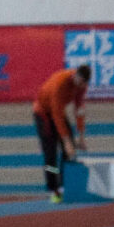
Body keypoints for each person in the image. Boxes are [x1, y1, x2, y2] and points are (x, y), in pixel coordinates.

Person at [34, 62, 91, 202]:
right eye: (80, 83)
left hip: (59, 112)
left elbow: (79, 109)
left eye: (83, 85)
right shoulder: (60, 84)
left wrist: (81, 136)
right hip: (44, 114)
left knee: (69, 152)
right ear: (76, 76)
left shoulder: (81, 86)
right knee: (50, 156)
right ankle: (53, 188)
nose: (81, 87)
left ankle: (64, 184)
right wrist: (66, 142)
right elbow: (56, 116)